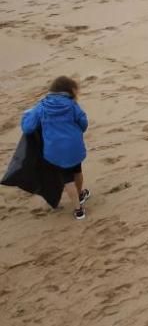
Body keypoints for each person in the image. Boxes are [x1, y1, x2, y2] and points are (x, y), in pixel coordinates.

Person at [20, 76, 91, 220]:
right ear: (69, 90)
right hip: (74, 147)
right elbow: (83, 122)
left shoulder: (42, 106)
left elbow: (28, 128)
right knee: (77, 171)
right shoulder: (72, 105)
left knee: (67, 178)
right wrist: (78, 132)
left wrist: (26, 115)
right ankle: (80, 195)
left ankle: (78, 209)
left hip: (55, 150)